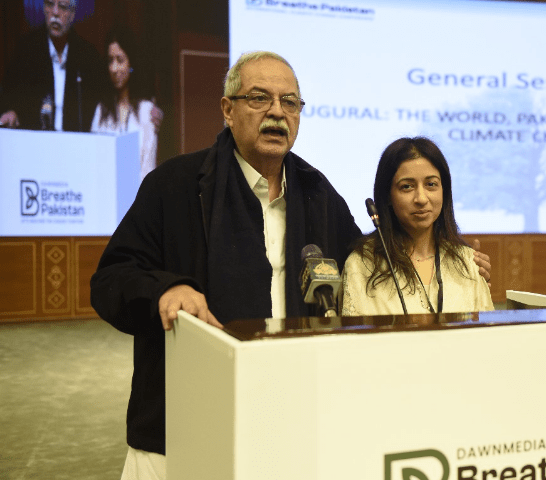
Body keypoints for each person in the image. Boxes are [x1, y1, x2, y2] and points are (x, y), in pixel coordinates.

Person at [90, 50, 493, 479]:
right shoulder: (176, 186)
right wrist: (165, 290)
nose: (276, 113)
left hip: (287, 424)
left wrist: (447, 256)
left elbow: (366, 258)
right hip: (184, 429)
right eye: (259, 98)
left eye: (290, 102)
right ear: (228, 109)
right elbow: (112, 279)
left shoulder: (317, 193)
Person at [341, 137, 493, 316]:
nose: (421, 198)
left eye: (431, 184)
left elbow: (487, 336)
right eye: (407, 186)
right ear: (388, 196)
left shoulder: (467, 262)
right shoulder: (362, 264)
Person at [0, 0, 102, 131]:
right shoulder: (26, 50)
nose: (55, 13)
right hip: (34, 143)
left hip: (75, 144)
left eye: (63, 7)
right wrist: (11, 111)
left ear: (72, 14)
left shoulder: (87, 56)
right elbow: (8, 96)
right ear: (43, 9)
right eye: (49, 4)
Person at [91, 27, 158, 180]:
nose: (114, 68)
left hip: (138, 199)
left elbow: (148, 169)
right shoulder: (102, 110)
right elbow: (94, 162)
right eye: (110, 61)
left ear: (131, 63)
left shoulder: (146, 111)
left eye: (120, 60)